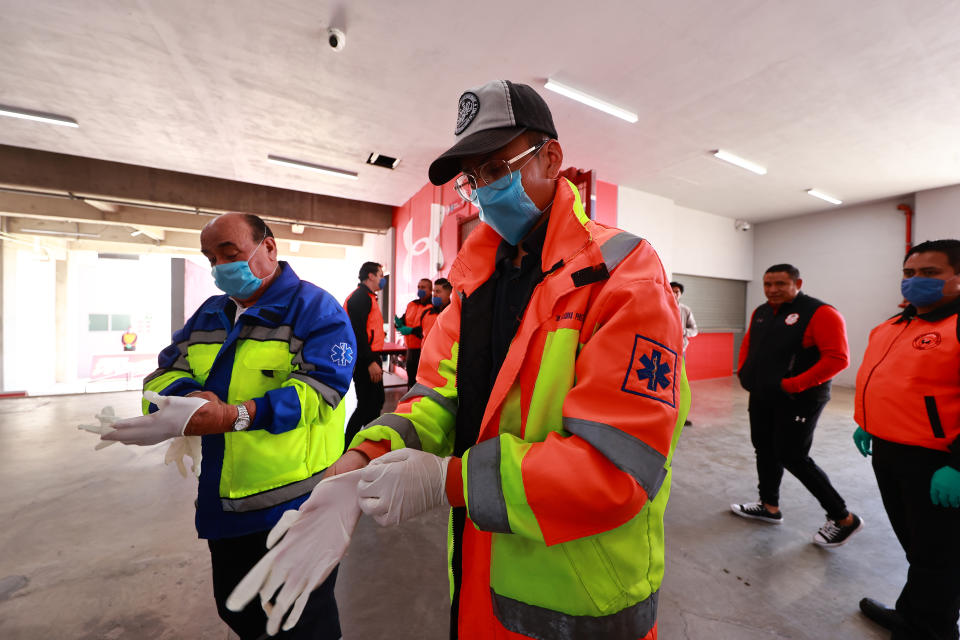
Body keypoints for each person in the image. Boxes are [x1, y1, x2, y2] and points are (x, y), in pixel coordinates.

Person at [232, 79, 690, 640]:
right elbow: (434, 400)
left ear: (552, 158)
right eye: (475, 178)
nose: (484, 189)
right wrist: (359, 462)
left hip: (583, 603)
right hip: (479, 581)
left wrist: (451, 482)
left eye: (498, 167)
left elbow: (615, 472)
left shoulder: (623, 277)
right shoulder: (472, 286)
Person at [98, 213, 356, 640]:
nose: (219, 266)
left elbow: (322, 388)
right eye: (210, 257)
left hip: (295, 504)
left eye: (229, 253)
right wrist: (184, 400)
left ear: (268, 248)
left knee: (301, 622)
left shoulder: (314, 309)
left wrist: (238, 414)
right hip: (226, 503)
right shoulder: (210, 315)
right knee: (240, 611)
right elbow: (163, 372)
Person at [853, 239, 960, 639]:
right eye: (909, 274)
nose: (915, 282)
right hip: (890, 451)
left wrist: (958, 464)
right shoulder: (895, 325)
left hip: (938, 464)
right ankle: (914, 615)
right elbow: (894, 383)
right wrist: (869, 421)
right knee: (919, 548)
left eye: (930, 273)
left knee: (940, 556)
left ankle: (931, 630)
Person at [732, 263, 864, 547]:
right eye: (767, 284)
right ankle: (769, 506)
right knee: (764, 448)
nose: (772, 290)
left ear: (797, 283)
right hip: (764, 394)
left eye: (780, 283)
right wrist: (744, 373)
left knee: (792, 456)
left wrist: (792, 385)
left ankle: (843, 518)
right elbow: (749, 345)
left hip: (799, 398)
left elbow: (837, 359)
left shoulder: (820, 313)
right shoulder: (762, 312)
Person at [343, 262, 386, 449]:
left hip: (370, 356)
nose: (382, 279)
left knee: (375, 402)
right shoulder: (360, 298)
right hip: (364, 359)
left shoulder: (368, 297)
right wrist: (369, 361)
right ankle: (347, 445)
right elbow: (357, 332)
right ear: (370, 276)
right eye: (380, 275)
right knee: (367, 404)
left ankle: (369, 443)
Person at [395, 278, 433, 389]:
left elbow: (427, 330)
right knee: (411, 382)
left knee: (421, 383)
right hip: (410, 350)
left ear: (430, 290)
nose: (420, 289)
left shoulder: (433, 307)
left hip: (424, 351)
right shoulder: (411, 304)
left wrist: (411, 331)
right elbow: (403, 320)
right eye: (419, 287)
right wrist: (398, 323)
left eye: (423, 287)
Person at [671, 281, 698, 426]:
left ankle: (682, 416)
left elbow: (695, 329)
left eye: (677, 291)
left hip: (680, 352)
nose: (674, 294)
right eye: (672, 290)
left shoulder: (685, 310)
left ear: (680, 294)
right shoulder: (660, 306)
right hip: (663, 351)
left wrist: (682, 331)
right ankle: (666, 414)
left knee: (680, 385)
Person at [420, 277, 452, 342]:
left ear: (449, 294)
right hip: (426, 351)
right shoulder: (426, 312)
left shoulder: (454, 314)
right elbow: (421, 334)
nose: (434, 295)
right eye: (433, 291)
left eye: (438, 292)